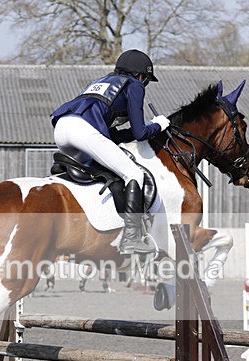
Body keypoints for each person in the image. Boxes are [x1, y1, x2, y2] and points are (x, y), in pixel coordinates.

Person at [51, 49, 170, 254]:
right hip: (83, 131)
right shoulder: (134, 85)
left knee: (100, 167)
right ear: (140, 75)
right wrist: (158, 125)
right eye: (146, 80)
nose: (144, 84)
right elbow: (141, 133)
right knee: (134, 173)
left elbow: (112, 137)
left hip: (62, 129)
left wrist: (134, 131)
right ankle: (132, 238)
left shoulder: (103, 82)